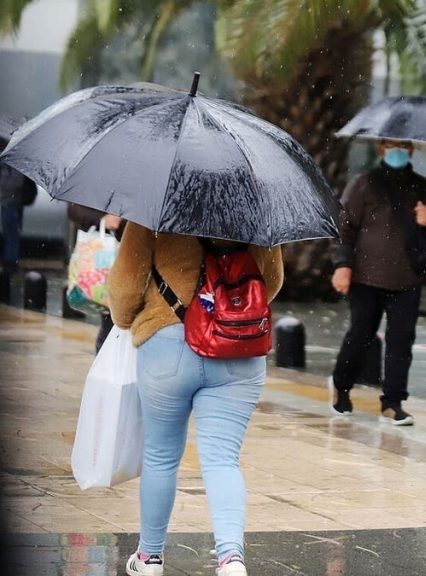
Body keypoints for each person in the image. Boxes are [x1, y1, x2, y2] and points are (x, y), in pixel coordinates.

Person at [108, 222, 283, 576]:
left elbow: (125, 288)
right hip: (237, 347)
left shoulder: (154, 208)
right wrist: (226, 304)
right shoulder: (254, 207)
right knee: (223, 460)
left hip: (167, 345)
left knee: (160, 456)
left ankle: (149, 558)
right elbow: (272, 281)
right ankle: (231, 558)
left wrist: (130, 320)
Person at [328, 138, 426, 425]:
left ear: (412, 150)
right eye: (391, 145)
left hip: (407, 278)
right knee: (360, 334)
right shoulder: (364, 184)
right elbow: (344, 227)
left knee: (401, 341)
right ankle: (341, 387)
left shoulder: (423, 189)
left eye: (403, 145)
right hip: (366, 277)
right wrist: (342, 265)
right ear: (381, 149)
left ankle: (392, 403)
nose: (397, 151)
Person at [67, 204, 124, 351]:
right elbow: (75, 209)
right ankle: (103, 367)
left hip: (137, 260)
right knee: (110, 321)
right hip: (108, 258)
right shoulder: (100, 185)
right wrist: (102, 219)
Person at [0, 143, 37, 272]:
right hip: (11, 201)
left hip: (11, 202)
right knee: (11, 231)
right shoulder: (12, 161)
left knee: (11, 231)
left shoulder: (12, 163)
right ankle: (10, 259)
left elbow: (14, 183)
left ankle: (10, 260)